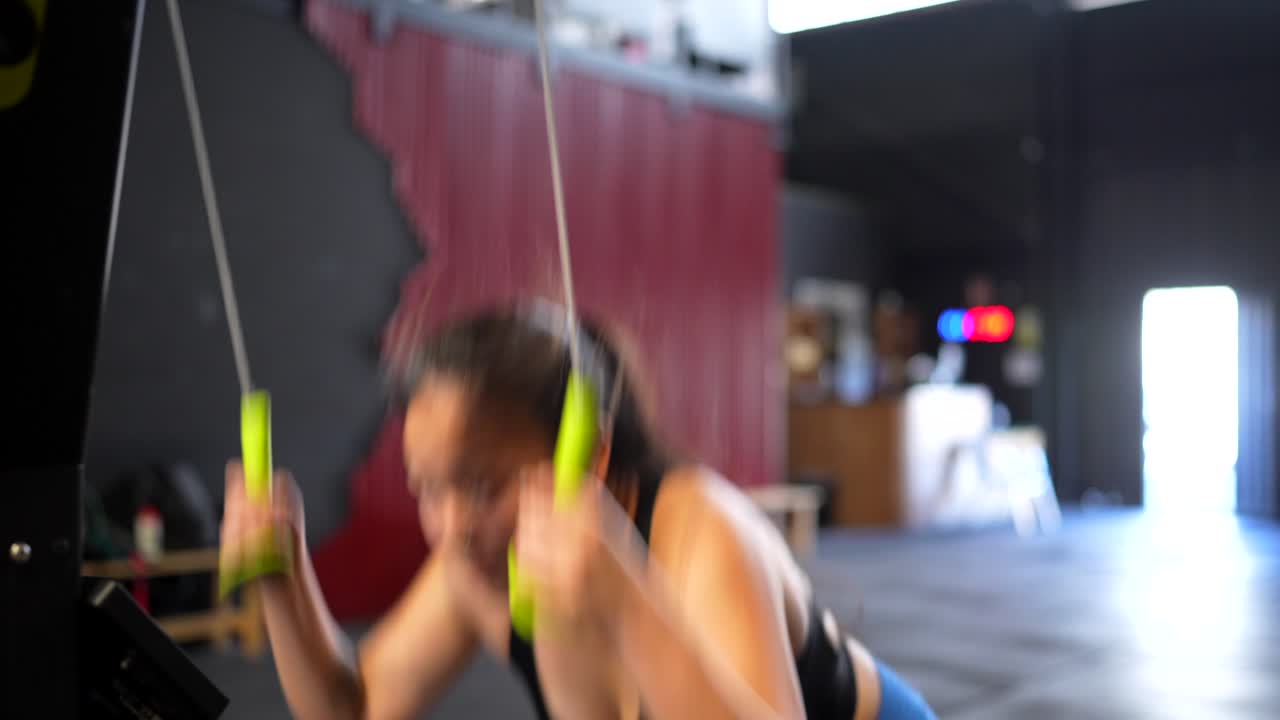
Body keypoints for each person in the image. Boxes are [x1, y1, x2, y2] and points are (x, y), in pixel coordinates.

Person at [220, 300, 937, 720]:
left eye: (480, 487)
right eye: (425, 488)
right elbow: (355, 712)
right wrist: (284, 585)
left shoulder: (701, 528)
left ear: (588, 458)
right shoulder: (476, 561)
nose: (449, 526)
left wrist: (627, 603)